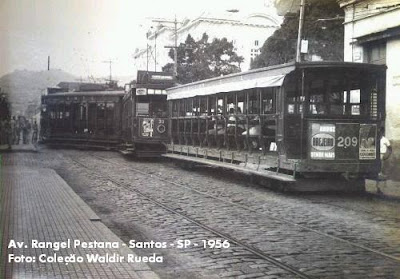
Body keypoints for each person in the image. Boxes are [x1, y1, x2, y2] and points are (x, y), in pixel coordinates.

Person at [376, 127, 392, 193]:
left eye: (381, 132)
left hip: (382, 155)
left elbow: (390, 148)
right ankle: (378, 187)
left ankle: (379, 188)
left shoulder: (385, 139)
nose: (380, 133)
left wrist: (387, 155)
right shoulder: (376, 139)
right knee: (377, 171)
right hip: (376, 155)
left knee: (380, 170)